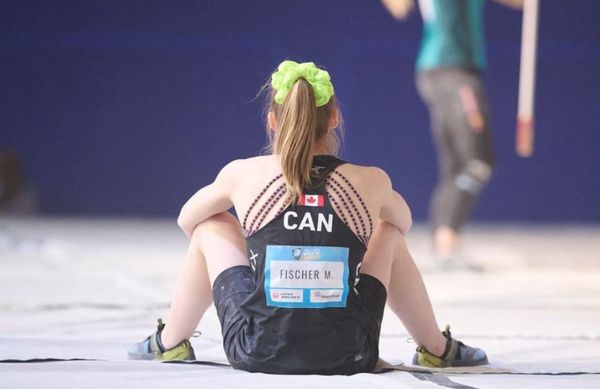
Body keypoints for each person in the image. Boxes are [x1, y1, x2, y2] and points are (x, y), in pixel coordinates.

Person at [128, 60, 488, 373]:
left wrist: (259, 248)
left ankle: (170, 342)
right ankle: (437, 350)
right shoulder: (371, 179)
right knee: (387, 233)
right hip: (351, 352)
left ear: (272, 121)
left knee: (212, 225)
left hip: (256, 351)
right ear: (334, 118)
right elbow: (403, 225)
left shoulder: (243, 174)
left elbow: (187, 220)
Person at [381, 0, 523, 267]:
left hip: (444, 70)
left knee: (457, 165)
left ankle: (444, 243)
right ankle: (446, 242)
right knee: (476, 162)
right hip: (451, 70)